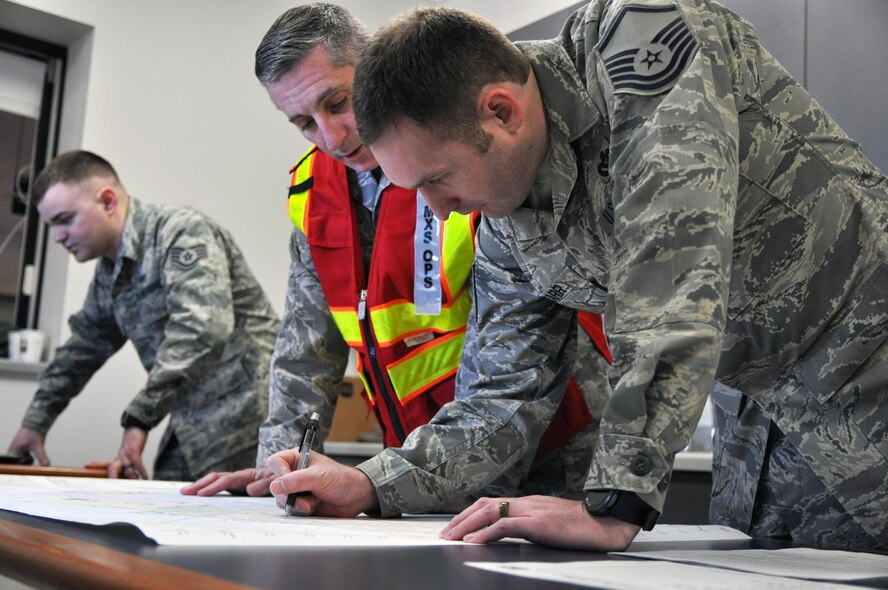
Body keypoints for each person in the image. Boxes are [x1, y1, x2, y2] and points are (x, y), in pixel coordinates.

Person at [349, 2, 888, 552]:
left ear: (502, 111)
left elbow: (671, 262)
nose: (440, 213)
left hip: (869, 375)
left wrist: (616, 499)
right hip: (758, 436)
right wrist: (373, 482)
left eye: (438, 178)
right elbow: (504, 392)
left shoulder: (641, 37)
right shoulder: (506, 215)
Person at [181, 3, 613, 515]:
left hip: (551, 441)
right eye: (303, 122)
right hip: (422, 457)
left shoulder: (465, 156)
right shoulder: (310, 195)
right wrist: (281, 468)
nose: (331, 138)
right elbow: (304, 350)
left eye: (338, 102)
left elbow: (516, 356)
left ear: (378, 69)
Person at [6, 150, 279, 481]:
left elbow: (202, 331)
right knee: (162, 506)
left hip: (252, 417)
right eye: (51, 225)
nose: (57, 237)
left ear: (108, 201)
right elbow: (83, 348)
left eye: (64, 219)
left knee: (213, 520)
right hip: (192, 417)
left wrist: (138, 417)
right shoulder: (111, 272)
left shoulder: (179, 231)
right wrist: (35, 422)